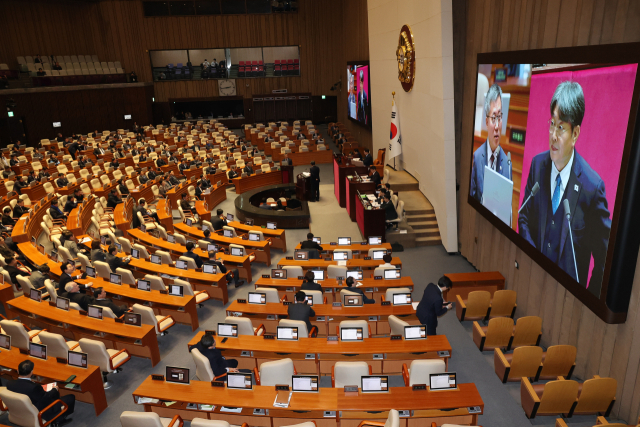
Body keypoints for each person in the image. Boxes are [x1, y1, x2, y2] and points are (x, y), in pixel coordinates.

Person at [518, 81, 610, 294]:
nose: (553, 135)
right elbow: (523, 217)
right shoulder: (537, 166)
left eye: (561, 127)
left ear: (575, 133)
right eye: (552, 123)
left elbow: (605, 258)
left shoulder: (591, 188)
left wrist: (588, 297)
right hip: (531, 283)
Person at [469, 84, 512, 203]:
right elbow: (472, 199)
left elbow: (507, 206)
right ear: (487, 122)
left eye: (499, 117)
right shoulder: (477, 157)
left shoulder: (508, 165)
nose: (497, 126)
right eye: (494, 118)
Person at [8, 360, 75, 426]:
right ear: (31, 372)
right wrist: (54, 389)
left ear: (18, 371)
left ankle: (58, 417)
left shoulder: (9, 384)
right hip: (40, 410)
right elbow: (46, 398)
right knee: (71, 397)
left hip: (22, 409)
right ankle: (60, 419)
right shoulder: (33, 387)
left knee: (54, 395)